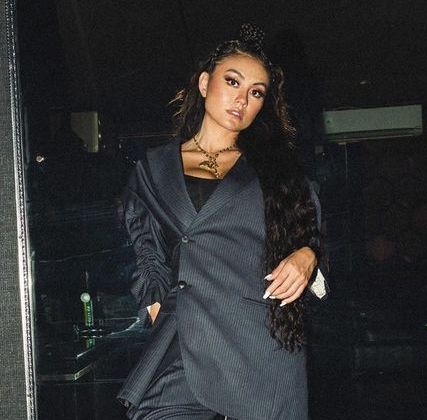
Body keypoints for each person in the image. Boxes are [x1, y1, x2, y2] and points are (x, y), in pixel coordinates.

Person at [116, 24, 328, 420]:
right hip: (184, 345)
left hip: (260, 346)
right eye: (233, 82)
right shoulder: (154, 169)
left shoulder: (276, 169)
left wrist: (307, 257)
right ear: (204, 83)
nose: (242, 99)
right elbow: (141, 248)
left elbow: (312, 234)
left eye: (256, 92)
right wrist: (156, 305)